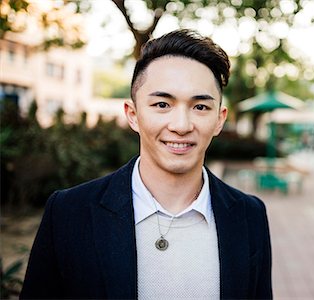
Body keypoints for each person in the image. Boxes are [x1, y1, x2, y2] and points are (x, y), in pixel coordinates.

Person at [20, 29, 272, 299]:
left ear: (219, 119)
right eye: (162, 104)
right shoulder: (69, 213)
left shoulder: (249, 215)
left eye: (200, 107)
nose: (181, 126)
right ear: (133, 115)